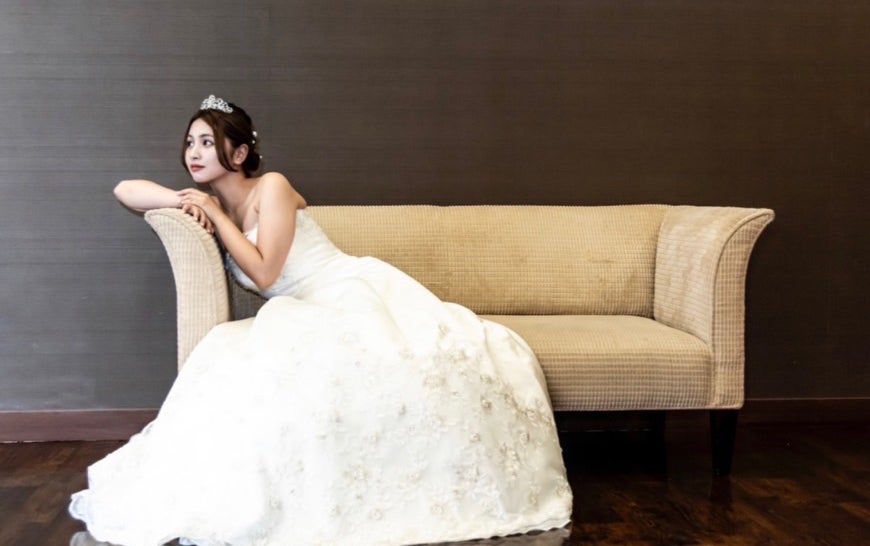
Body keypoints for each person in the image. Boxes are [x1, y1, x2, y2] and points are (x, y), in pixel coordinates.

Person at [69, 95, 573, 546]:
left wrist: (216, 216)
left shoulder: (272, 187)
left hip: (345, 292)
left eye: (207, 142)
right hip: (302, 307)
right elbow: (124, 189)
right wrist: (181, 199)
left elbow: (265, 270)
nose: (194, 153)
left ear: (239, 154)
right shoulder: (212, 201)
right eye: (189, 143)